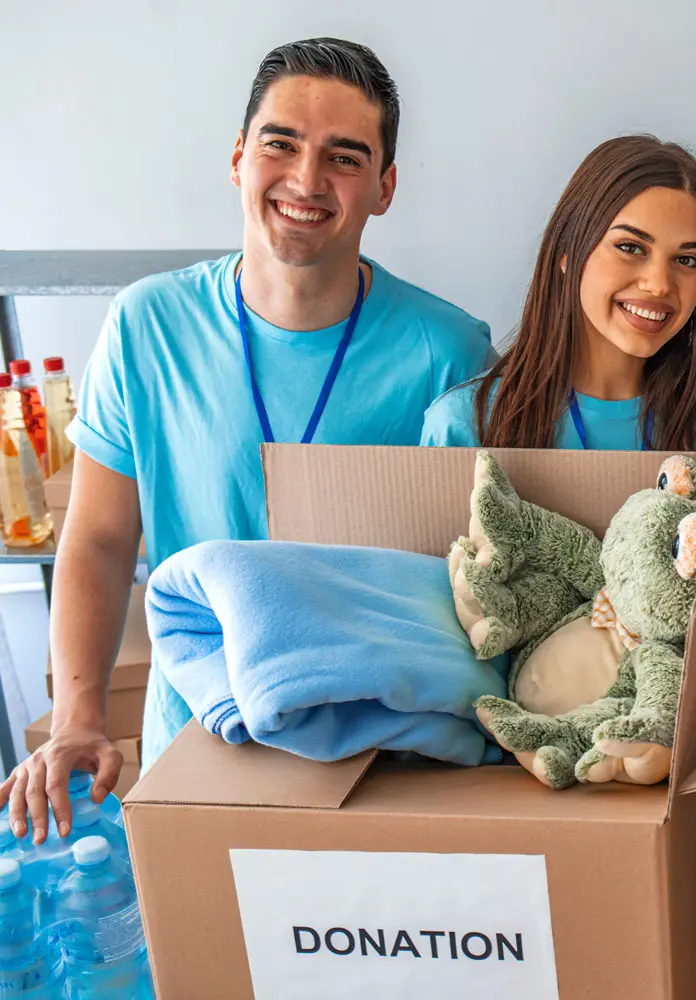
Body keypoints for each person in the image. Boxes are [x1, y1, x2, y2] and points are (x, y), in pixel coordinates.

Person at [3, 38, 496, 843]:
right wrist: (76, 718)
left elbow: (471, 577)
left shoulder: (449, 353)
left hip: (378, 759)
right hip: (196, 745)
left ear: (385, 188)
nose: (306, 180)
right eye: (281, 144)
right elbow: (95, 539)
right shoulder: (147, 325)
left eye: (345, 157)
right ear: (238, 159)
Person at [421, 136, 696, 451]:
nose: (659, 284)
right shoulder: (467, 425)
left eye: (687, 259)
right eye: (630, 247)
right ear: (567, 252)